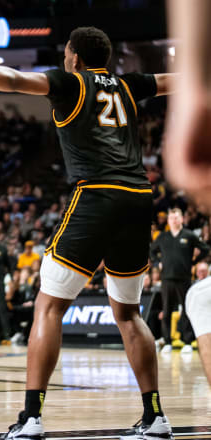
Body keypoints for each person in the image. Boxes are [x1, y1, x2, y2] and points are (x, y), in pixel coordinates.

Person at [0, 25, 175, 439]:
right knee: (128, 314)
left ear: (75, 58)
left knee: (48, 308)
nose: (65, 59)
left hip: (97, 194)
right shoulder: (128, 84)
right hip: (139, 198)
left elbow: (11, 79)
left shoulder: (69, 81)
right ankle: (155, 416)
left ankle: (31, 417)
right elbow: (181, 81)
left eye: (66, 54)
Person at [164, 0, 211, 387]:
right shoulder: (163, 236)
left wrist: (193, 95)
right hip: (169, 280)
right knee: (198, 300)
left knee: (200, 300)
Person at [150, 208, 209, 353]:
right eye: (171, 218)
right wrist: (158, 263)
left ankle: (188, 341)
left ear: (181, 219)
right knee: (167, 311)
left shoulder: (189, 235)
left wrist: (194, 262)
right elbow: (151, 251)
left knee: (187, 310)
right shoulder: (163, 237)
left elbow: (205, 249)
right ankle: (167, 341)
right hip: (167, 279)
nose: (173, 220)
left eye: (176, 217)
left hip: (184, 279)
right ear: (168, 220)